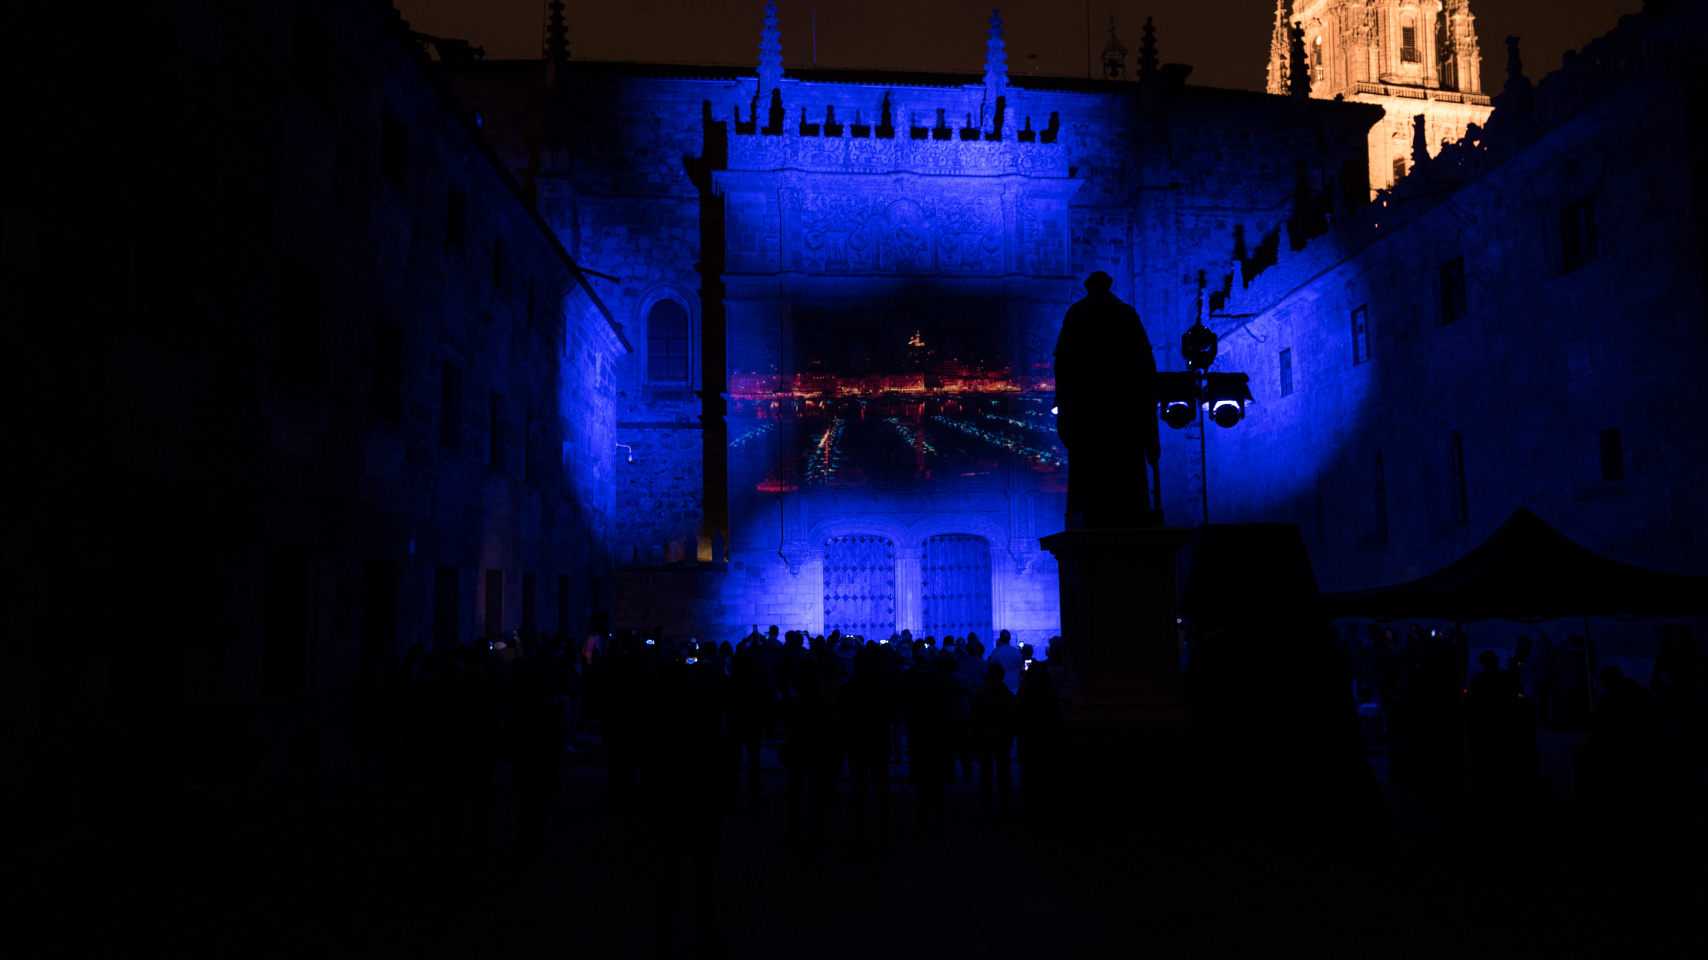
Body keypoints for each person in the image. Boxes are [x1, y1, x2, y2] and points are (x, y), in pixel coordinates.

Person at [1052, 270, 1159, 525]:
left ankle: (1089, 506)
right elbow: (1145, 360)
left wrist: (1063, 397)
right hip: (1124, 406)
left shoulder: (1078, 314)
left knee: (1089, 464)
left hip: (1087, 406)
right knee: (1126, 463)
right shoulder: (1126, 315)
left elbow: (1063, 361)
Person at [648, 662, 733, 956]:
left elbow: (654, 774)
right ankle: (707, 933)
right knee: (704, 875)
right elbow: (724, 776)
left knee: (670, 877)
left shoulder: (666, 733)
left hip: (673, 811)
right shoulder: (711, 734)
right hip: (704, 813)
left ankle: (665, 936)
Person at [839, 646, 898, 849]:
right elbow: (893, 711)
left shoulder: (849, 687)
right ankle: (884, 833)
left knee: (859, 790)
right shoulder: (884, 684)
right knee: (882, 789)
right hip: (879, 740)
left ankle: (860, 833)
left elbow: (843, 715)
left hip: (857, 742)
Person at [1014, 661, 1062, 824]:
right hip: (1046, 742)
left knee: (1029, 777)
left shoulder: (1025, 699)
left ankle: (1030, 809)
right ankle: (1050, 808)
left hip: (1029, 742)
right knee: (1048, 776)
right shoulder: (1052, 701)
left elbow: (1018, 721)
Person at [970, 662, 1017, 814]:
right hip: (1003, 737)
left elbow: (975, 718)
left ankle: (985, 802)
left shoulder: (980, 695)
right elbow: (1013, 718)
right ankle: (1006, 802)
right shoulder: (1008, 695)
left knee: (985, 773)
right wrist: (1011, 733)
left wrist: (976, 734)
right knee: (1004, 773)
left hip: (985, 737)